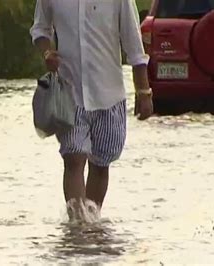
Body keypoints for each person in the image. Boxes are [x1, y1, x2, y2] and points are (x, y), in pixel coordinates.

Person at [30, 0, 153, 221]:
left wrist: (144, 91)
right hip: (70, 94)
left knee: (100, 163)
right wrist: (47, 51)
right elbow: (40, 28)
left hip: (109, 95)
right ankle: (78, 226)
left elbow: (134, 45)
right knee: (73, 156)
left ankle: (93, 224)